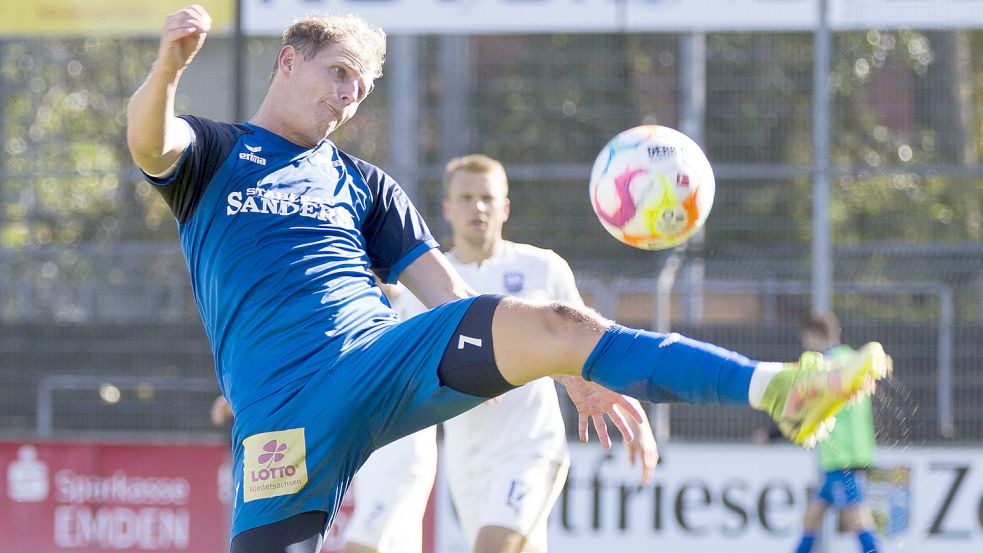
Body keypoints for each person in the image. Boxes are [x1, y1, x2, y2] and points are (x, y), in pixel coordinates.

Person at [125, 6, 890, 552]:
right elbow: (150, 142)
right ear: (287, 60)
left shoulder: (366, 185)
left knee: (557, 320)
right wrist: (168, 68)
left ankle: (777, 388)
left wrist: (571, 365)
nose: (347, 96)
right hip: (281, 416)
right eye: (337, 74)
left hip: (378, 364)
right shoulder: (218, 154)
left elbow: (456, 302)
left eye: (360, 86)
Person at [340, 155, 658, 553]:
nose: (478, 207)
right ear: (447, 208)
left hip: (530, 449)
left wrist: (631, 407)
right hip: (466, 461)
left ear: (505, 207)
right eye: (467, 197)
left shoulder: (542, 268)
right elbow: (402, 370)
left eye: (488, 198)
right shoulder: (423, 287)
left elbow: (591, 344)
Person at [793, 311, 881, 553]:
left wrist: (772, 433)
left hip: (840, 454)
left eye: (805, 339)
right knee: (812, 516)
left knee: (857, 518)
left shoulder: (824, 364)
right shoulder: (854, 358)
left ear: (812, 336)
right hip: (857, 448)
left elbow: (805, 406)